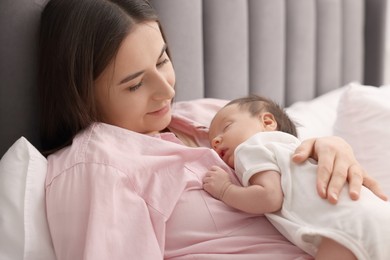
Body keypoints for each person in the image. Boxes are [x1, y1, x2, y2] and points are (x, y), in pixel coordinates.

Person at [38, 0, 387, 259]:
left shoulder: (210, 113)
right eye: (134, 85)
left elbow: (286, 152)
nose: (167, 91)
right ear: (81, 93)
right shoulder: (97, 169)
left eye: (162, 61)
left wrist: (328, 147)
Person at [203, 95, 390, 260]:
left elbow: (269, 197)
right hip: (375, 215)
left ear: (268, 122)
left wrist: (225, 189)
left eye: (226, 127)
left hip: (348, 227)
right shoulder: (294, 150)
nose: (216, 140)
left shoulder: (252, 146)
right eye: (212, 141)